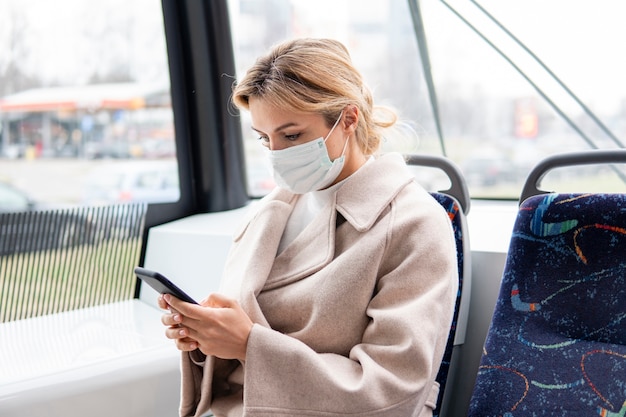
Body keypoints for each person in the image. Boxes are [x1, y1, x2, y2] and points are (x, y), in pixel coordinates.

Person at [159, 37, 458, 417]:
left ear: (348, 119)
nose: (278, 155)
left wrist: (249, 345)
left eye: (292, 135)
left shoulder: (415, 224)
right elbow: (240, 345)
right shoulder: (268, 213)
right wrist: (206, 337)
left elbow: (391, 389)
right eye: (265, 139)